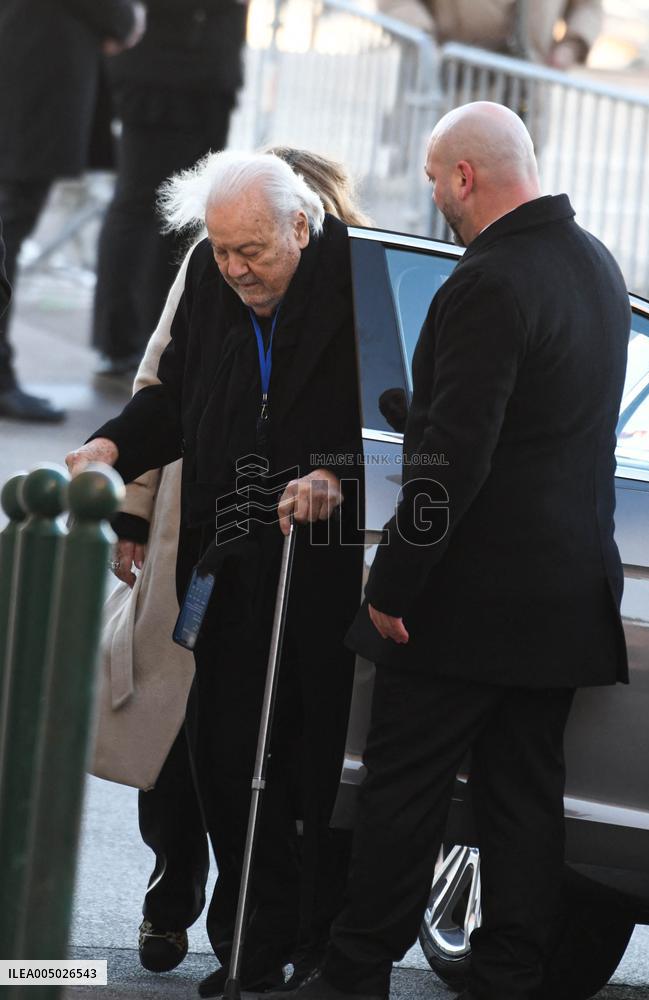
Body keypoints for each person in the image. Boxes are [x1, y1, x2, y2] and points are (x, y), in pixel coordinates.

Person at [262, 101, 631, 1000]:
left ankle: (356, 971)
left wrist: (392, 585)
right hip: (569, 594)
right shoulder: (597, 267)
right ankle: (509, 974)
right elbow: (544, 430)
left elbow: (452, 459)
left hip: (467, 603)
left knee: (403, 787)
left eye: (434, 180)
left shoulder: (487, 282)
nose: (434, 196)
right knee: (523, 797)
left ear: (465, 176)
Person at [66, 152, 365, 996]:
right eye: (223, 249)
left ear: (300, 227)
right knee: (224, 755)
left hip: (318, 561)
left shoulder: (356, 279)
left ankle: (312, 943)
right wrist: (113, 445)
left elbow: (401, 422)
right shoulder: (208, 271)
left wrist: (336, 473)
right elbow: (173, 394)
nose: (234, 269)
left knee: (308, 763)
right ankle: (248, 944)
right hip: (224, 550)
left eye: (251, 251)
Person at [0, 0, 145, 422]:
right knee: (11, 223)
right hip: (33, 71)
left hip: (29, 64)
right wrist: (122, 18)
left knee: (11, 222)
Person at [92, 0, 248, 376]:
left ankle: (163, 336)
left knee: (184, 213)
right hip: (159, 74)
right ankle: (123, 339)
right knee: (140, 205)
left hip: (208, 73)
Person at [376, 0, 602, 68]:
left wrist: (572, 46)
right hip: (448, 81)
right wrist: (423, 39)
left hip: (527, 91)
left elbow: (588, 7)